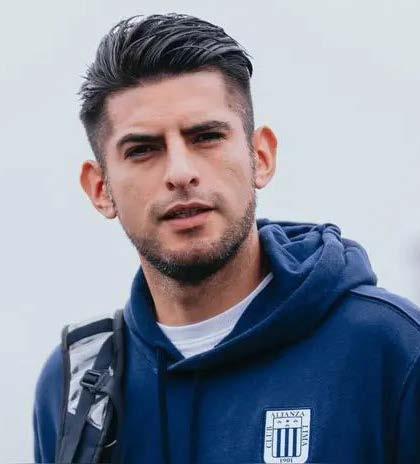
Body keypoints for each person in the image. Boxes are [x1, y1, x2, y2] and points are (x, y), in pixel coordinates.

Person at [33, 13, 420, 464]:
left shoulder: (390, 348)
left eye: (206, 137)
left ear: (261, 156)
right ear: (101, 189)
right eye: (143, 150)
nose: (181, 173)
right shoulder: (76, 388)